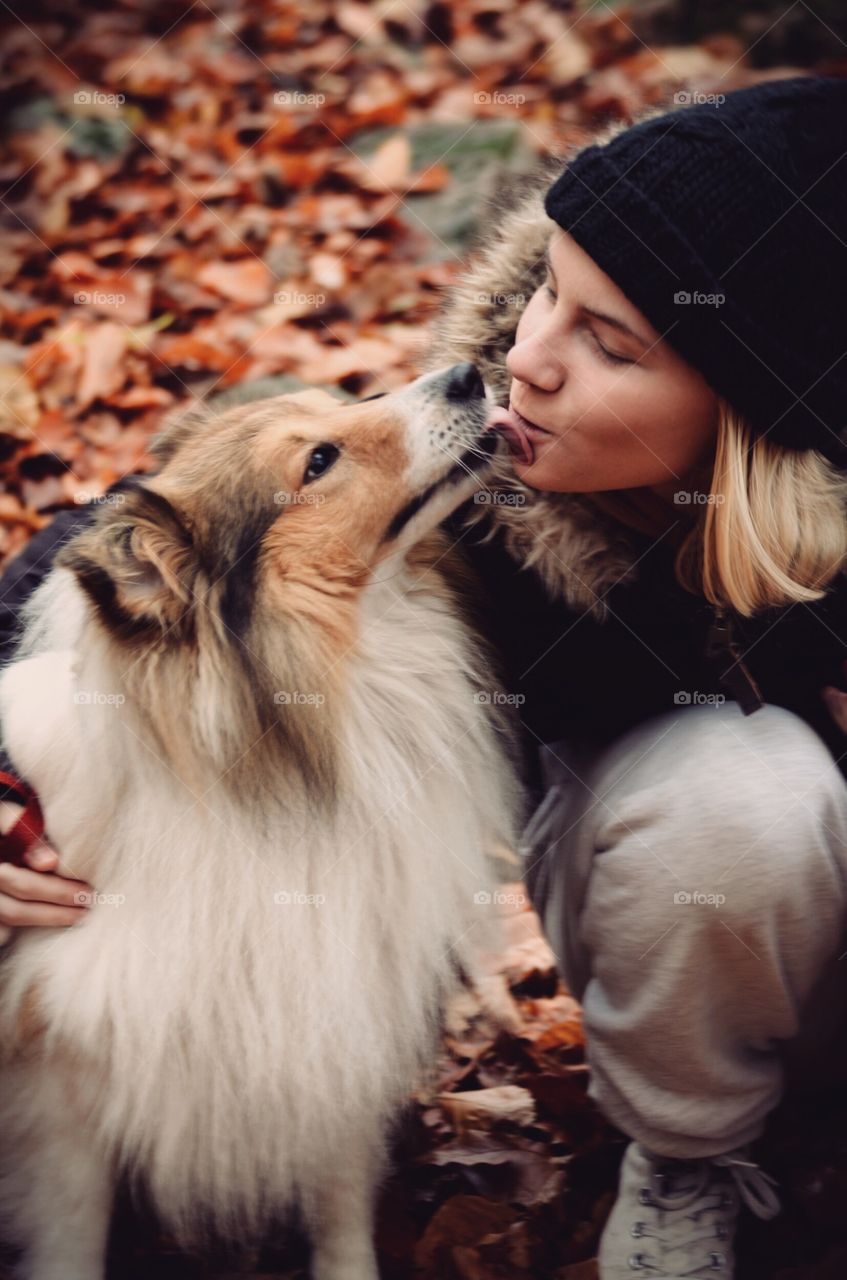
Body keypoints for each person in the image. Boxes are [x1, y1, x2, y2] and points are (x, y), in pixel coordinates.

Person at [1, 72, 847, 1279]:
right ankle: (688, 1149)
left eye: (606, 342)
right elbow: (118, 554)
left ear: (757, 412)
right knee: (742, 795)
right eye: (546, 292)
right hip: (685, 910)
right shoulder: (492, 494)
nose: (527, 362)